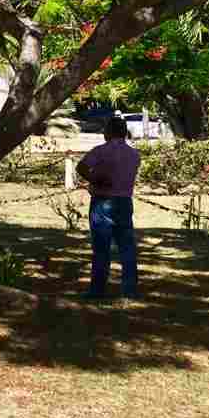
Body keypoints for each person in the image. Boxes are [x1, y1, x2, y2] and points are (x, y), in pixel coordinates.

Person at [76, 115, 141, 300]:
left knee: (101, 248)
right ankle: (130, 289)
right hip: (124, 202)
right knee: (127, 247)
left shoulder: (100, 151)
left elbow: (81, 167)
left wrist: (94, 179)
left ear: (109, 132)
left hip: (102, 200)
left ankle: (97, 290)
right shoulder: (134, 155)